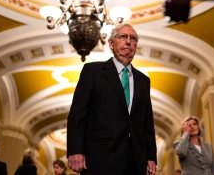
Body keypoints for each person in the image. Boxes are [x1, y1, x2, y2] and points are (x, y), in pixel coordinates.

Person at [66, 23, 157, 175]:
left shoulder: (143, 80)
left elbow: (147, 122)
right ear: (111, 43)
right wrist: (75, 150)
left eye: (133, 38)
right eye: (123, 37)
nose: (128, 41)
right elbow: (77, 114)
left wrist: (151, 156)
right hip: (99, 157)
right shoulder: (93, 71)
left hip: (135, 160)